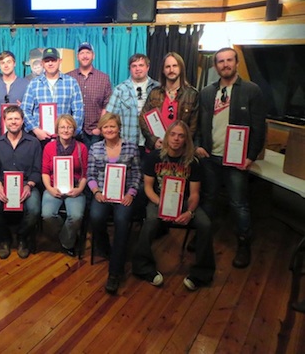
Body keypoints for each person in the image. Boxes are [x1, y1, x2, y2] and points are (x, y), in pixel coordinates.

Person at [195, 47, 266, 269]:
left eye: (229, 60)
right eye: (220, 61)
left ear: (235, 63)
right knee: (208, 199)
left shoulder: (251, 91)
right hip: (210, 156)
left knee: (239, 204)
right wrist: (198, 146)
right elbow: (198, 124)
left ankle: (244, 243)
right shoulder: (207, 92)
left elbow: (258, 127)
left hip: (236, 160)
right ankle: (202, 237)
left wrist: (251, 156)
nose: (225, 64)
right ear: (215, 66)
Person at [132, 120, 215, 291]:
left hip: (184, 203)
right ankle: (143, 267)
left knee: (205, 224)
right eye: (173, 134)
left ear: (186, 139)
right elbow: (148, 187)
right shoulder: (154, 157)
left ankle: (202, 274)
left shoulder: (192, 162)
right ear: (167, 136)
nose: (176, 139)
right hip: (159, 199)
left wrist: (190, 212)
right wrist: (159, 203)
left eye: (181, 136)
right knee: (150, 222)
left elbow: (194, 194)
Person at [87, 112, 141, 295]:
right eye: (105, 127)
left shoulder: (131, 148)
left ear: (119, 128)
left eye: (112, 126)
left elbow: (137, 175)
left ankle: (115, 273)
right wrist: (96, 192)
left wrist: (131, 193)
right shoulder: (95, 148)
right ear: (101, 130)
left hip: (123, 196)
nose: (109, 130)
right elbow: (91, 175)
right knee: (95, 217)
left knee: (122, 221)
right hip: (102, 194)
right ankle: (104, 247)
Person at [0, 105, 42, 259]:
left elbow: (37, 170)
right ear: (4, 121)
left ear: (22, 121)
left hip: (26, 184)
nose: (13, 122)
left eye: (17, 118)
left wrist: (29, 185)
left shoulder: (34, 143)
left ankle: (22, 236)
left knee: (34, 210)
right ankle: (4, 238)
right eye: (10, 119)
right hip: (2, 185)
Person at [41, 114, 88, 256]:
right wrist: (49, 188)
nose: (66, 130)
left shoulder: (82, 148)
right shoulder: (49, 147)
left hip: (74, 188)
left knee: (76, 216)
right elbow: (44, 171)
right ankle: (67, 233)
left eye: (69, 127)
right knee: (47, 215)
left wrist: (79, 189)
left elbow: (86, 174)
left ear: (74, 130)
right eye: (62, 127)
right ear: (57, 129)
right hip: (53, 187)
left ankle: (66, 241)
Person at [21, 47, 84, 143]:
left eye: (53, 60)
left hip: (65, 139)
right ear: (42, 63)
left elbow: (79, 111)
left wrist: (71, 131)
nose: (50, 63)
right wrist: (36, 130)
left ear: (60, 61)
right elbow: (25, 109)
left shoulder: (71, 82)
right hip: (39, 139)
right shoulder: (33, 84)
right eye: (47, 61)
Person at [139, 52, 199, 150]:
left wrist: (179, 144)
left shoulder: (192, 94)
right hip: (157, 149)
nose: (171, 70)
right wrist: (154, 140)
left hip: (180, 151)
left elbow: (193, 126)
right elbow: (143, 119)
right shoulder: (154, 92)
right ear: (163, 70)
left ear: (181, 68)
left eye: (175, 66)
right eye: (167, 67)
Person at [105, 53, 160, 153]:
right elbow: (110, 117)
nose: (137, 69)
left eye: (141, 65)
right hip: (127, 143)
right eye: (134, 66)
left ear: (148, 67)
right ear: (129, 69)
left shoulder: (158, 88)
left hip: (154, 142)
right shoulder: (120, 89)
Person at [67, 42, 112, 148]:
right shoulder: (68, 77)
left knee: (93, 163)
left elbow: (107, 105)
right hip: (71, 131)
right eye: (82, 53)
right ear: (77, 57)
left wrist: (100, 128)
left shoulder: (103, 78)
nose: (85, 56)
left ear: (93, 56)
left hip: (94, 133)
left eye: (88, 52)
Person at [0, 51, 30, 133]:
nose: (6, 65)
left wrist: (23, 107)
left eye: (9, 62)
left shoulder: (26, 84)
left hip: (20, 129)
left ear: (14, 63)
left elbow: (31, 108)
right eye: (2, 63)